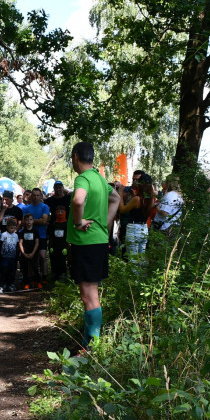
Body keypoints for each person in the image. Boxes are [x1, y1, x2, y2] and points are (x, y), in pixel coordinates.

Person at [67, 141, 121, 350]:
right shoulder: (99, 178)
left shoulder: (83, 178)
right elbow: (115, 198)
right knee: (92, 294)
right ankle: (90, 342)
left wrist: (79, 222)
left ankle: (91, 347)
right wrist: (105, 222)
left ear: (75, 157)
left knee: (88, 295)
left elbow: (78, 201)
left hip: (85, 242)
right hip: (98, 241)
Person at [22, 187, 51, 285]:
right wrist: (36, 221)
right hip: (29, 236)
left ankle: (44, 276)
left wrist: (31, 220)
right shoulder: (26, 208)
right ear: (31, 196)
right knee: (30, 258)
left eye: (38, 195)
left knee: (42, 256)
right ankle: (32, 278)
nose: (35, 197)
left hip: (41, 235)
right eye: (34, 195)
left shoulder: (44, 207)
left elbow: (44, 220)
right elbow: (23, 222)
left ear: (41, 196)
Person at [0, 217, 20, 293]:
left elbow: (17, 245)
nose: (12, 230)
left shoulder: (16, 235)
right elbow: (0, 244)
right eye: (11, 228)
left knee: (12, 271)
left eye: (14, 228)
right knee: (3, 270)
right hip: (4, 256)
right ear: (7, 227)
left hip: (12, 257)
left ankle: (11, 284)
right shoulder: (4, 235)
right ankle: (2, 285)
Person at [18, 213, 39, 289]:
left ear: (33, 221)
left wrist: (33, 252)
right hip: (25, 252)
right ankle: (26, 282)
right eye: (27, 220)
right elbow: (20, 243)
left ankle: (37, 281)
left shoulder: (35, 231)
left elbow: (37, 242)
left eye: (30, 220)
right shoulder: (22, 232)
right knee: (25, 268)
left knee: (34, 267)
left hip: (33, 252)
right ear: (24, 221)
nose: (29, 221)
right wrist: (23, 253)